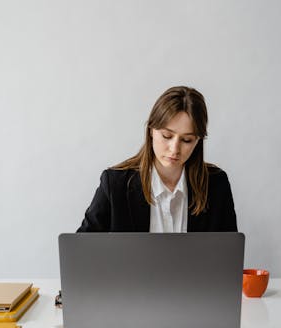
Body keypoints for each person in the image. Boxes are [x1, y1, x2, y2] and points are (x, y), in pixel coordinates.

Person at [77, 86, 237, 233]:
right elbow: (82, 251)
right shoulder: (114, 184)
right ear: (151, 131)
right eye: (167, 136)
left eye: (186, 140)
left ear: (198, 141)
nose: (174, 149)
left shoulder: (217, 185)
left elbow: (228, 256)